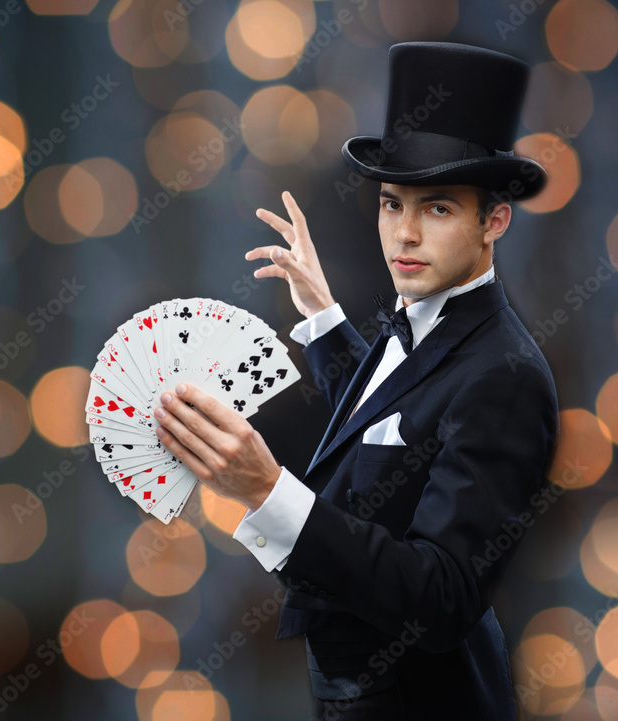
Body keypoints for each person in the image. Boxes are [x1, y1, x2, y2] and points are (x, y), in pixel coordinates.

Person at [151, 42, 560, 719]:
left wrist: (267, 490)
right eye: (391, 204)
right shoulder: (418, 327)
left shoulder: (506, 377)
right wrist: (323, 318)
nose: (404, 235)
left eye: (436, 210)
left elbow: (441, 597)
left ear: (494, 220)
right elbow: (393, 430)